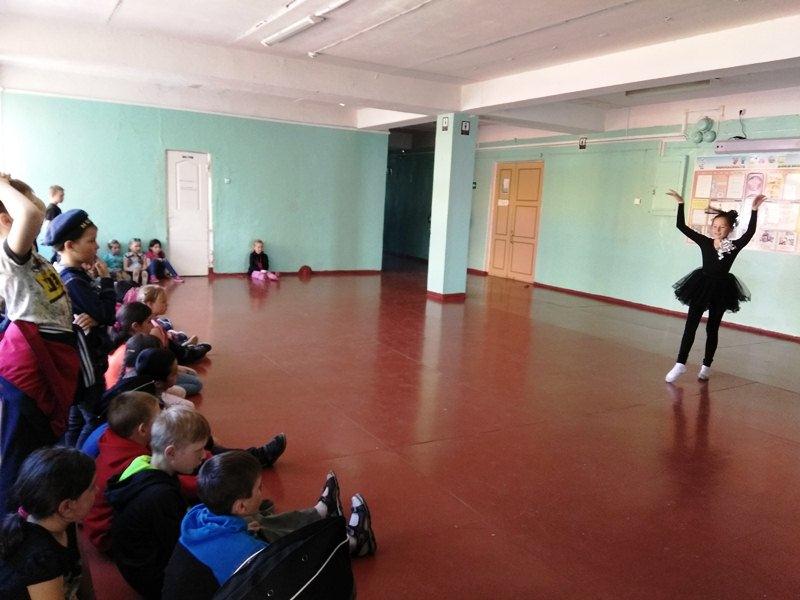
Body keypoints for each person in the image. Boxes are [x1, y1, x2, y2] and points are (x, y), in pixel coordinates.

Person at [162, 452, 376, 600]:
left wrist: (243, 532)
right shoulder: (246, 552)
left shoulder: (198, 514)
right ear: (241, 505)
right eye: (258, 488)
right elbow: (284, 571)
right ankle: (353, 543)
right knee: (287, 553)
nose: (262, 491)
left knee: (255, 522)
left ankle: (321, 514)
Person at [0, 174, 79, 505]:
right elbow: (32, 214)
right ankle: (12, 519)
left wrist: (15, 188)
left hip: (49, 352)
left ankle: (38, 506)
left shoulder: (29, 254)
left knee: (41, 440)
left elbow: (35, 210)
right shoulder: (8, 254)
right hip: (28, 366)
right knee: (21, 450)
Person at [106, 406, 210, 599]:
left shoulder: (143, 462)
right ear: (171, 453)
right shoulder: (161, 496)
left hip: (136, 564)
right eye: (198, 450)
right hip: (155, 580)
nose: (203, 455)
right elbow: (180, 546)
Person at [664, 190, 767, 383]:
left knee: (712, 328)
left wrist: (754, 210)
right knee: (690, 326)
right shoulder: (705, 242)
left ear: (730, 229)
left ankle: (706, 366)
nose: (717, 230)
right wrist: (680, 203)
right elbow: (681, 226)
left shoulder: (734, 247)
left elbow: (750, 233)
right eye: (715, 226)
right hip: (701, 286)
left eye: (722, 227)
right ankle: (680, 363)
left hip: (722, 289)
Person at [46, 209, 117, 447]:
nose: (97, 246)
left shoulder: (69, 273)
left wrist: (97, 317)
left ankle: (70, 453)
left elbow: (98, 314)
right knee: (95, 416)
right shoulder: (74, 280)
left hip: (81, 360)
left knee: (76, 417)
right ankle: (82, 458)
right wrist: (106, 280)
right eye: (91, 241)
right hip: (87, 362)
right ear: (69, 245)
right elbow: (107, 314)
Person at [0, 446, 96, 600]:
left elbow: (83, 580)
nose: (97, 489)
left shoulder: (65, 522)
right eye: (91, 488)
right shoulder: (40, 559)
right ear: (66, 507)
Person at [83, 391, 161, 552]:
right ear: (142, 430)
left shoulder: (114, 437)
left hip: (97, 526)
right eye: (160, 419)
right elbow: (173, 484)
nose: (164, 422)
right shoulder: (133, 464)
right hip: (109, 537)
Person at [106, 302, 201, 396]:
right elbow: (153, 376)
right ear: (136, 326)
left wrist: (178, 369)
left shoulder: (128, 343)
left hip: (125, 387)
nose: (152, 326)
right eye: (148, 322)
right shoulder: (136, 348)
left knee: (192, 378)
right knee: (195, 384)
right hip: (129, 392)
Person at [136, 284, 210, 364]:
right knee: (203, 348)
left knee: (175, 339)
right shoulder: (151, 327)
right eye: (163, 302)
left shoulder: (153, 321)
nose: (167, 304)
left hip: (169, 349)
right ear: (150, 304)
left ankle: (185, 346)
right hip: (168, 356)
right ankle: (188, 348)